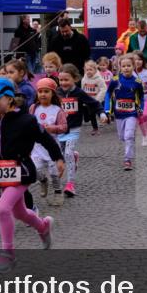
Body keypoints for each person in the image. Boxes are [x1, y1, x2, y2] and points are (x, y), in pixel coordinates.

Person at [0, 77, 60, 273]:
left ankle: (8, 254)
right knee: (18, 212)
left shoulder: (26, 121)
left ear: (10, 99)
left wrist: (58, 159)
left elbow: (45, 139)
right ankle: (43, 226)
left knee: (2, 209)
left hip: (22, 171)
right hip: (0, 174)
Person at [56, 64, 105, 197]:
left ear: (75, 79)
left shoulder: (79, 93)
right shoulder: (57, 93)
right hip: (60, 130)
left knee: (68, 153)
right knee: (61, 155)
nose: (63, 83)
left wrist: (101, 113)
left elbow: (93, 103)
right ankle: (74, 156)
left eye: (66, 80)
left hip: (74, 128)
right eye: (61, 80)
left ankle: (70, 184)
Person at [30, 77, 68, 207]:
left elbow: (64, 127)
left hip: (51, 146)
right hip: (36, 147)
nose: (43, 94)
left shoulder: (57, 110)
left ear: (52, 93)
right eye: (40, 91)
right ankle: (43, 180)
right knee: (33, 170)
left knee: (54, 172)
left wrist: (51, 128)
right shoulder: (33, 108)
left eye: (46, 91)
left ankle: (58, 192)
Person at [106, 54, 144, 170]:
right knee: (122, 137)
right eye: (124, 66)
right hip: (119, 114)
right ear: (120, 67)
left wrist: (140, 107)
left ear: (133, 67)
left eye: (129, 66)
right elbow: (108, 94)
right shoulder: (115, 80)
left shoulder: (137, 81)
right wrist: (107, 110)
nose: (126, 68)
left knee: (128, 136)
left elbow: (141, 96)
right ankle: (130, 142)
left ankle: (127, 160)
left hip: (131, 114)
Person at [81, 60, 107, 135]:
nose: (88, 71)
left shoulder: (99, 79)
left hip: (96, 100)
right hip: (88, 101)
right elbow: (82, 89)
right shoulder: (84, 78)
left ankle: (103, 118)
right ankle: (95, 128)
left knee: (99, 111)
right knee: (91, 115)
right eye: (87, 70)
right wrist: (83, 99)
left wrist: (98, 99)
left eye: (90, 70)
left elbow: (103, 89)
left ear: (95, 70)